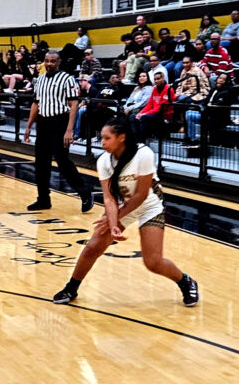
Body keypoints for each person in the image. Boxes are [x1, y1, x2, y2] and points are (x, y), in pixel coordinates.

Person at [52, 117, 199, 307]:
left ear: (121, 137)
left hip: (149, 207)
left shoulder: (143, 154)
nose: (102, 142)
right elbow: (108, 198)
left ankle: (185, 281)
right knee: (92, 246)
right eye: (101, 138)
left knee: (153, 262)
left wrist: (115, 219)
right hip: (122, 207)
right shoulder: (104, 160)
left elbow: (141, 195)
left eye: (106, 138)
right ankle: (71, 287)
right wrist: (112, 224)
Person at [23, 52, 94, 212]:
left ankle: (84, 191)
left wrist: (69, 130)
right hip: (43, 122)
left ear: (58, 62)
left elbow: (73, 105)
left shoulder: (67, 79)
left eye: (53, 61)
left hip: (60, 122)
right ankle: (43, 199)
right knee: (41, 163)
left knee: (62, 161)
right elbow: (36, 104)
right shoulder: (39, 80)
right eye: (47, 61)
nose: (49, 64)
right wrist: (28, 125)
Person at [133, 71, 175, 141]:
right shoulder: (155, 89)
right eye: (155, 79)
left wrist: (145, 114)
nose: (156, 81)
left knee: (144, 117)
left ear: (163, 78)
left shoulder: (169, 89)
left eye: (158, 79)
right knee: (133, 117)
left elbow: (161, 108)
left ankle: (143, 141)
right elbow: (150, 104)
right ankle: (136, 140)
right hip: (154, 114)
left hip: (164, 115)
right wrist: (140, 113)